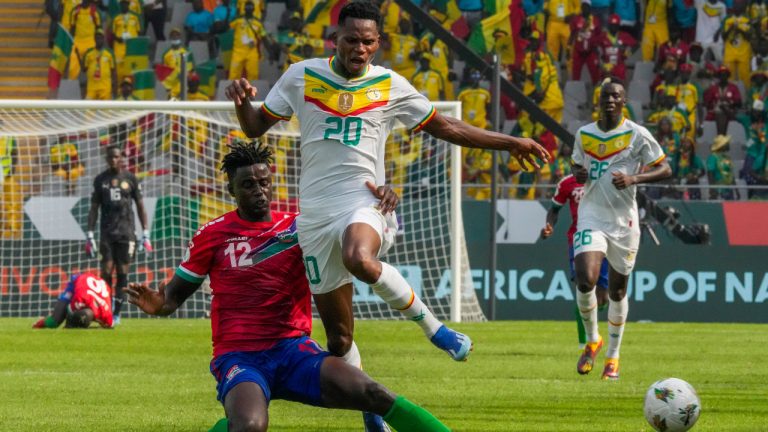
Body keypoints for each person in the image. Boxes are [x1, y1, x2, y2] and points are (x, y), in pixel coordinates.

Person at [226, 0, 548, 426]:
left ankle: (437, 331)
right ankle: (369, 411)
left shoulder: (390, 85)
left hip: (364, 202)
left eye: (367, 41)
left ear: (378, 43)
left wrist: (510, 142)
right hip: (315, 218)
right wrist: (242, 102)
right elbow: (253, 127)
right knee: (339, 341)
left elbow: (448, 127)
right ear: (335, 39)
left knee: (359, 257)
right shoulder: (301, 75)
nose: (359, 48)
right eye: (351, 40)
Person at [126, 142, 451, 432]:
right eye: (248, 184)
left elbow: (353, 225)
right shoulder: (212, 234)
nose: (259, 190)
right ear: (231, 190)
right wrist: (158, 304)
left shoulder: (301, 226)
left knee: (374, 394)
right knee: (250, 425)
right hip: (240, 357)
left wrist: (377, 202)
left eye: (264, 182)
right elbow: (171, 298)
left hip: (294, 351)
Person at [571, 77, 672, 380]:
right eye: (606, 96)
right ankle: (592, 340)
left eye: (616, 96)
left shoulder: (637, 134)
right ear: (598, 100)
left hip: (624, 222)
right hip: (591, 214)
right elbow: (577, 166)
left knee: (617, 291)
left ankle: (613, 357)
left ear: (624, 102)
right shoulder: (584, 134)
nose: (610, 100)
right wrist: (578, 173)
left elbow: (665, 168)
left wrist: (633, 179)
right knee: (585, 279)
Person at [540, 173, 609, 350]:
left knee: (602, 298)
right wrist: (549, 225)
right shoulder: (567, 182)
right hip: (579, 239)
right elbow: (554, 210)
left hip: (605, 237)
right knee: (583, 287)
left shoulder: (605, 175)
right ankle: (585, 343)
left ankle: (593, 319)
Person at [86, 145, 151, 326]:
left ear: (121, 158)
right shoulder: (100, 180)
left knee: (122, 273)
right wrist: (89, 233)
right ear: (106, 159)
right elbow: (94, 208)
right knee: (106, 272)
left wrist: (145, 232)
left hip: (126, 233)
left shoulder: (130, 179)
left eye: (116, 157)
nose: (113, 160)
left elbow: (140, 206)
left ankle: (116, 314)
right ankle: (106, 308)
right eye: (110, 157)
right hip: (106, 233)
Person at [33, 273, 113, 329]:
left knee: (74, 320)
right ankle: (39, 323)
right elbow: (70, 309)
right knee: (54, 322)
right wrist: (69, 325)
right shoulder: (81, 299)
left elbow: (109, 326)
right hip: (77, 282)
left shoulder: (106, 315)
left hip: (89, 286)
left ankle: (73, 324)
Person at [82, 32, 117, 100]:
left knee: (105, 106)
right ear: (94, 39)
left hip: (105, 86)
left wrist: (114, 87)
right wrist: (79, 56)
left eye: (101, 38)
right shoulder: (89, 52)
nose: (99, 40)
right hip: (92, 86)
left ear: (103, 39)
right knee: (88, 105)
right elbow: (84, 69)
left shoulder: (109, 53)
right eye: (97, 38)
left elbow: (114, 71)